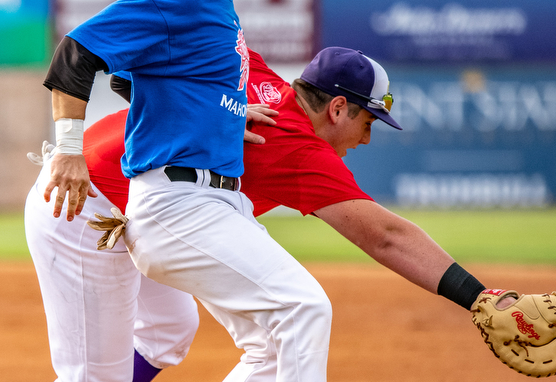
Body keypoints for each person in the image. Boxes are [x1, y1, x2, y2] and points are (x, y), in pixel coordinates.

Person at [28, 46, 503, 381]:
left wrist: (212, 113)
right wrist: (480, 298)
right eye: (367, 120)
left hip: (141, 204)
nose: (366, 138)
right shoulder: (300, 150)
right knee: (92, 376)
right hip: (79, 200)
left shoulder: (251, 70)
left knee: (169, 331)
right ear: (338, 108)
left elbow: (136, 76)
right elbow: (386, 236)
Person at [38, 0, 334, 381]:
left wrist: (216, 118)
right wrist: (67, 152)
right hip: (179, 203)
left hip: (211, 201)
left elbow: (139, 78)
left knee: (274, 335)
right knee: (302, 309)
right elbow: (75, 57)